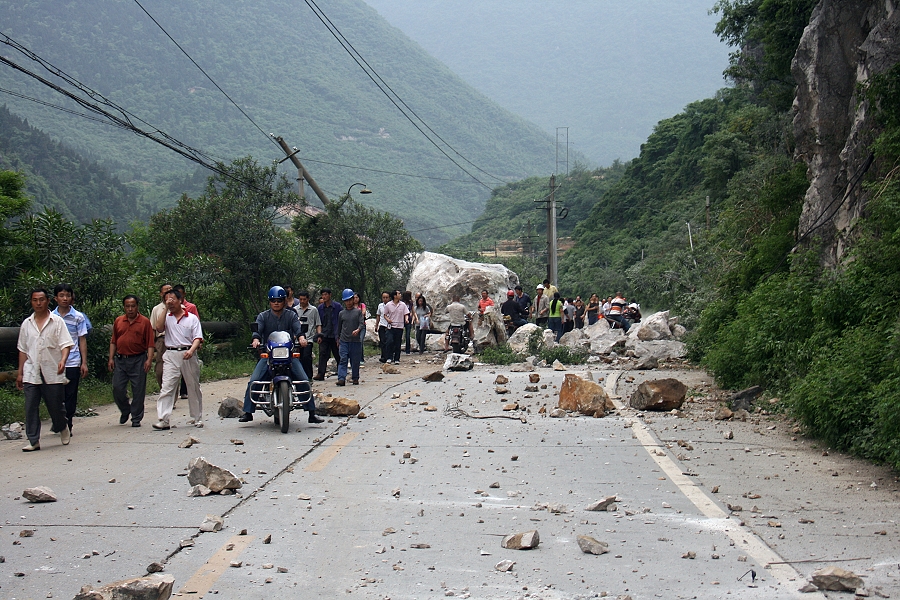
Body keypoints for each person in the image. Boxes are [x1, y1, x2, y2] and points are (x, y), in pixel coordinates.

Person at [239, 286, 322, 423]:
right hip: (269, 356)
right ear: (270, 302)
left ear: (284, 301)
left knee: (304, 380)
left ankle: (311, 413)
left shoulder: (291, 315)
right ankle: (248, 412)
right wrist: (256, 339)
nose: (276, 303)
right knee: (254, 381)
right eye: (273, 300)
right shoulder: (263, 316)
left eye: (279, 300)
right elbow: (257, 331)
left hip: (288, 355)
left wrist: (301, 338)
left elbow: (297, 328)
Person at [17, 288, 73, 451]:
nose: (38, 303)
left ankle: (62, 426)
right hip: (31, 371)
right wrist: (20, 372)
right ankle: (33, 440)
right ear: (31, 302)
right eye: (35, 300)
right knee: (30, 406)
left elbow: (65, 344)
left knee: (55, 405)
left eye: (41, 300)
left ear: (48, 301)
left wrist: (63, 360)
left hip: (52, 370)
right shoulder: (27, 324)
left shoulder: (56, 322)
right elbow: (23, 349)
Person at [152, 288, 203, 430]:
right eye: (167, 300)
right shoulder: (166, 317)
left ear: (180, 300)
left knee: (193, 386)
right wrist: (165, 309)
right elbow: (158, 327)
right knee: (167, 386)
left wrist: (192, 351)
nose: (170, 302)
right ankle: (163, 419)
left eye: (173, 299)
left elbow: (198, 337)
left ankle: (196, 417)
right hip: (171, 354)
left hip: (188, 353)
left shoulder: (191, 318)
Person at [108, 294, 155, 427]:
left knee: (138, 390)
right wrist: (111, 358)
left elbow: (150, 343)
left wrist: (149, 360)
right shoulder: (119, 321)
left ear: (137, 307)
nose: (130, 309)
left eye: (133, 306)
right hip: (121, 360)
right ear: (124, 307)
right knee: (117, 387)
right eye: (127, 306)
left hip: (138, 359)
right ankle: (125, 409)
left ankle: (136, 417)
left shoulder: (144, 322)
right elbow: (113, 341)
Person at [52, 283, 89, 435]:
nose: (65, 299)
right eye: (61, 295)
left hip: (73, 360)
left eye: (67, 295)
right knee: (54, 394)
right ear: (55, 298)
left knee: (70, 394)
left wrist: (84, 362)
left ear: (71, 297)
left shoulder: (78, 317)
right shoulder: (51, 317)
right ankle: (58, 421)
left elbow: (82, 340)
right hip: (54, 361)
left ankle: (68, 423)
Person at [336, 289, 365, 386]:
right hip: (344, 340)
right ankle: (341, 378)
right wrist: (338, 338)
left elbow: (362, 324)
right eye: (346, 300)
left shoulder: (358, 312)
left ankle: (355, 377)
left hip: (355, 341)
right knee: (343, 359)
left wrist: (358, 330)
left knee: (355, 361)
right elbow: (339, 327)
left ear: (353, 300)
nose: (348, 302)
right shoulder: (341, 313)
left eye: (349, 300)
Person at [172, 284, 196, 400]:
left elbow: (196, 324)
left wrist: (197, 342)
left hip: (188, 342)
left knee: (187, 368)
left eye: (180, 293)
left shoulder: (191, 307)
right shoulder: (169, 311)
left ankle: (185, 390)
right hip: (174, 343)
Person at [314, 288, 342, 380]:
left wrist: (339, 336)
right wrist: (319, 335)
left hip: (335, 334)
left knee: (338, 355)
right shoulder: (320, 308)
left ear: (330, 295)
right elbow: (319, 322)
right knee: (323, 354)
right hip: (324, 334)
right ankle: (320, 374)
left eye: (326, 294)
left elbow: (340, 321)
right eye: (323, 295)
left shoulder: (337, 307)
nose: (324, 296)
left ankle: (341, 373)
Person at [293, 290, 321, 382]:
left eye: (304, 299)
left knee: (306, 357)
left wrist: (319, 335)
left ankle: (309, 377)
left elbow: (318, 324)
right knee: (297, 358)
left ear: (308, 299)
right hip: (297, 339)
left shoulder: (313, 310)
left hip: (309, 338)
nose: (302, 301)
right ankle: (299, 377)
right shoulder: (295, 310)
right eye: (300, 299)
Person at [150, 283, 173, 388]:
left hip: (175, 340)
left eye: (170, 290)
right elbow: (153, 328)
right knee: (160, 370)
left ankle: (172, 397)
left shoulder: (179, 307)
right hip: (161, 340)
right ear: (161, 294)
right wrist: (151, 346)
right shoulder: (156, 309)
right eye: (166, 290)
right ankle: (163, 390)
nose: (168, 292)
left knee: (174, 370)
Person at [383, 290, 409, 364]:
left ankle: (397, 358)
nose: (400, 295)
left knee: (398, 343)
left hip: (399, 327)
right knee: (389, 341)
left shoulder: (403, 305)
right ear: (395, 296)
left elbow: (406, 313)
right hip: (391, 327)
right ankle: (389, 357)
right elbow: (385, 314)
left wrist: (406, 319)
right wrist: (388, 320)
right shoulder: (388, 305)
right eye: (399, 293)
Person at [375, 291, 391, 363]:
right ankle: (383, 356)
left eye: (386, 297)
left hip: (390, 326)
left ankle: (389, 356)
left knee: (389, 342)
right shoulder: (380, 306)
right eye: (383, 297)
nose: (385, 299)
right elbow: (378, 315)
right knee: (382, 342)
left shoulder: (392, 305)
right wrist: (376, 325)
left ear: (389, 298)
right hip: (382, 325)